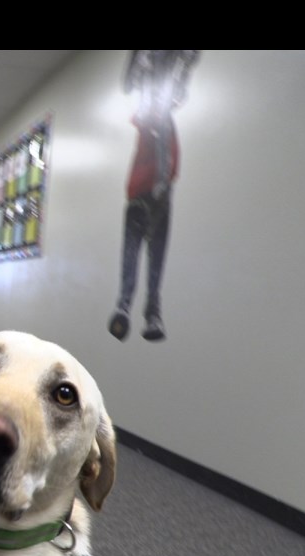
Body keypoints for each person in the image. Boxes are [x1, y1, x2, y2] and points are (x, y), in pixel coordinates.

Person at [108, 50, 199, 342]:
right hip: (152, 194)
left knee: (138, 253)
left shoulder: (153, 123)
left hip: (144, 194)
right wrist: (161, 183)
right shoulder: (155, 123)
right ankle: (144, 311)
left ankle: (132, 307)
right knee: (146, 255)